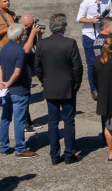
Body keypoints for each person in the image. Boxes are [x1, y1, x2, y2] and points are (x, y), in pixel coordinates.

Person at [34, 13, 83, 165]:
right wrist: (76, 84)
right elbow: (78, 67)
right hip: (67, 87)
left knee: (53, 122)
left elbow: (37, 68)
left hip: (50, 87)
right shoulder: (70, 43)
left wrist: (45, 81)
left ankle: (54, 155)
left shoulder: (42, 44)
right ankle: (69, 153)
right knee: (69, 121)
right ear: (63, 27)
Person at [0, 25, 37, 158]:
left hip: (6, 92)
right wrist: (8, 83)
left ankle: (4, 146)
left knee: (5, 118)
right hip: (19, 90)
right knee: (19, 120)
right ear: (19, 36)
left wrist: (1, 82)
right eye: (24, 32)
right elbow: (17, 72)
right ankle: (20, 148)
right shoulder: (19, 51)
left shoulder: (4, 49)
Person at [76, 0, 112, 99]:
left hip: (103, 35)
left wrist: (105, 20)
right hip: (89, 35)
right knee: (91, 62)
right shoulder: (86, 2)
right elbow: (79, 18)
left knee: (106, 60)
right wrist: (92, 20)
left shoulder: (108, 1)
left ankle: (105, 85)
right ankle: (94, 88)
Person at [17, 15, 45, 135]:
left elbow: (37, 48)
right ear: (25, 26)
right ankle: (24, 124)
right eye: (32, 25)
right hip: (22, 71)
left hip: (28, 70)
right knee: (23, 98)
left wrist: (39, 35)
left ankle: (28, 121)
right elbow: (26, 50)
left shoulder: (28, 34)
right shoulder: (21, 35)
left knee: (27, 96)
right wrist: (33, 34)